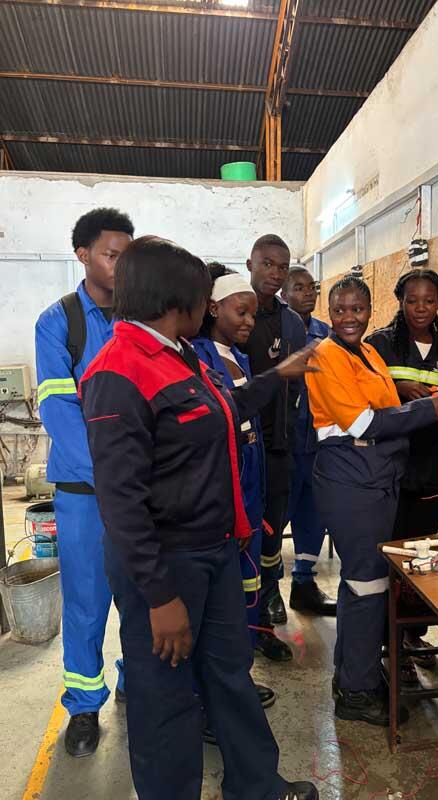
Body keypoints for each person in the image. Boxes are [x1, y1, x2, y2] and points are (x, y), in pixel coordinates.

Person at [80, 235, 319, 800]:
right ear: (177, 299)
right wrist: (160, 596)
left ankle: (256, 786)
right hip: (167, 564)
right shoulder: (118, 370)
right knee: (166, 697)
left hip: (213, 551)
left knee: (229, 674)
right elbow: (120, 500)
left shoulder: (181, 356)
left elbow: (226, 407)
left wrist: (278, 375)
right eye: (200, 295)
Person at [305, 275, 438, 727]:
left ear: (370, 310)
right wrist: (430, 409)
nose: (348, 318)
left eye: (357, 309)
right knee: (367, 586)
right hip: (352, 483)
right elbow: (361, 424)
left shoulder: (368, 354)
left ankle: (353, 674)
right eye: (339, 310)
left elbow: (388, 409)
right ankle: (357, 692)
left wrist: (429, 406)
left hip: (375, 479)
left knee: (361, 585)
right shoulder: (325, 356)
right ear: (329, 312)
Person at [35, 207, 134, 757]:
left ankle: (136, 681)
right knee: (86, 602)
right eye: (111, 255)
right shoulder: (59, 322)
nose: (121, 265)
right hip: (85, 492)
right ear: (83, 255)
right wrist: (112, 475)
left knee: (140, 594)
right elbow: (59, 411)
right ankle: (83, 705)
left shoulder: (142, 316)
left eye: (127, 256)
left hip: (139, 489)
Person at [366, 268, 438, 689]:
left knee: (420, 557)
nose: (420, 308)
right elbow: (362, 394)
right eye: (412, 300)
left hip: (429, 468)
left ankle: (412, 635)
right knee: (389, 556)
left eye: (429, 300)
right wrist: (399, 390)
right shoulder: (381, 343)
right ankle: (388, 645)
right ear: (400, 301)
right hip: (390, 466)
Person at [191, 262, 275, 710]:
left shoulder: (240, 357)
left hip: (252, 478)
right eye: (240, 312)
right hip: (229, 483)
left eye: (253, 314)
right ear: (213, 308)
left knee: (249, 582)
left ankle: (238, 675)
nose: (248, 322)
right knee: (226, 592)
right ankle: (220, 687)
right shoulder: (199, 355)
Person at [240, 234, 305, 662]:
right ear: (250, 263)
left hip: (278, 450)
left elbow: (297, 387)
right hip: (240, 452)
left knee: (269, 542)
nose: (275, 273)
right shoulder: (233, 312)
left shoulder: (292, 324)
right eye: (267, 264)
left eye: (282, 267)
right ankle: (240, 631)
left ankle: (264, 620)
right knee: (241, 542)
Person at [280, 266, 336, 615]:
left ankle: (304, 584)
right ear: (283, 294)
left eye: (312, 287)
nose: (308, 293)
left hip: (316, 441)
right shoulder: (276, 329)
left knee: (313, 514)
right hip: (283, 442)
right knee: (277, 515)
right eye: (299, 288)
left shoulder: (325, 334)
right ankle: (268, 591)